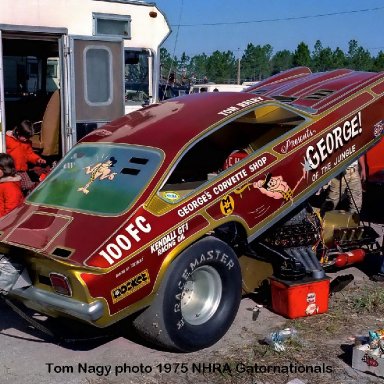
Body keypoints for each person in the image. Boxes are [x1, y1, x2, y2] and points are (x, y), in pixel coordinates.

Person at [5, 120, 46, 192]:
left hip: (22, 170)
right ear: (18, 132)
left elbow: (29, 154)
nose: (26, 139)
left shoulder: (27, 143)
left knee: (29, 186)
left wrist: (37, 159)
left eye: (28, 137)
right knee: (13, 188)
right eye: (25, 137)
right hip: (10, 170)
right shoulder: (7, 139)